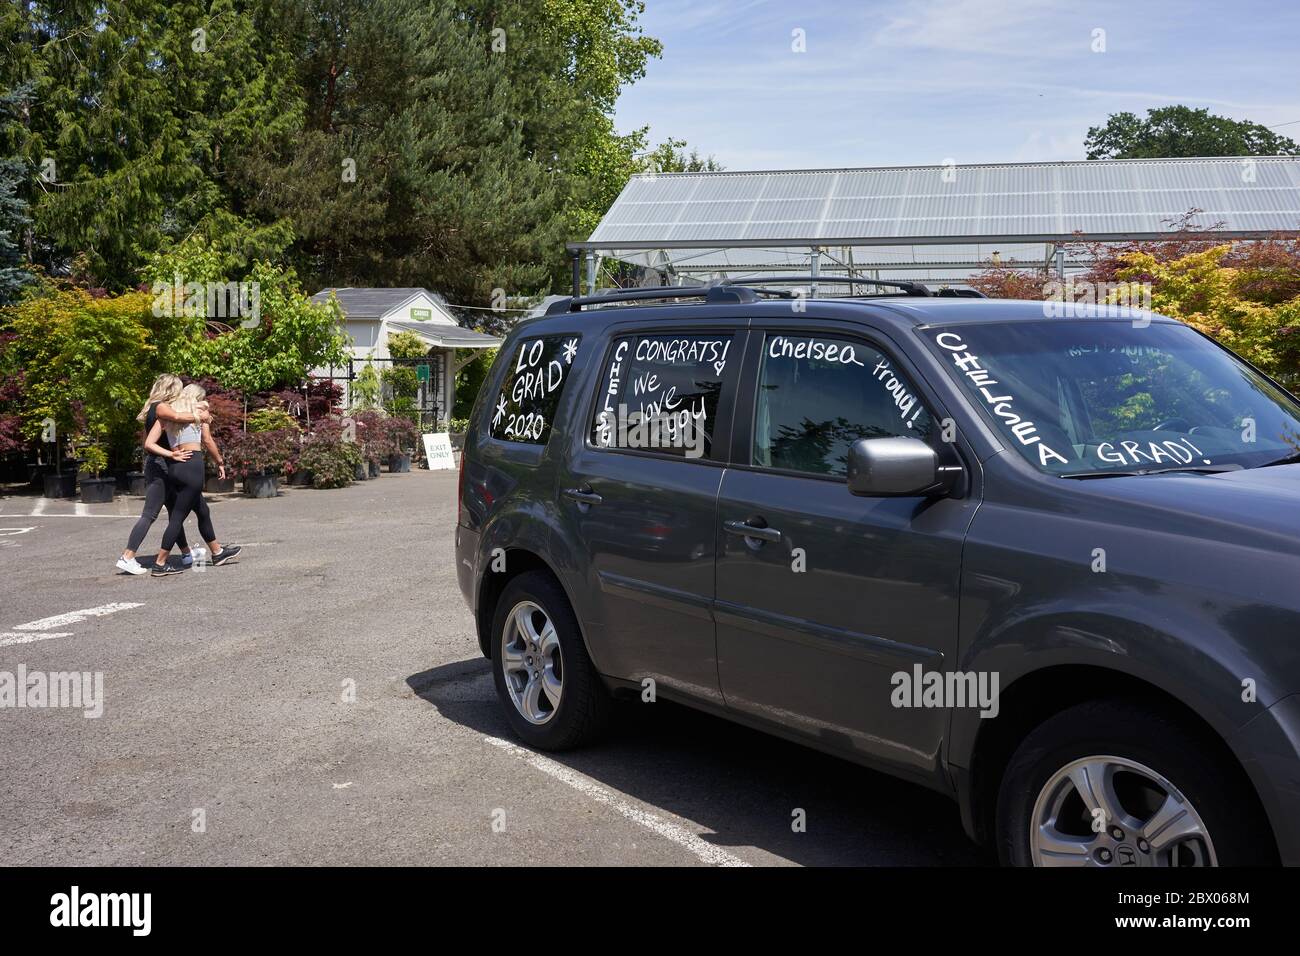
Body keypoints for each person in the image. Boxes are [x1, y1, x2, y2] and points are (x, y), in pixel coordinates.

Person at [144, 384, 241, 577]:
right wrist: (219, 461)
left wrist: (171, 454)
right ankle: (160, 563)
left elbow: (149, 443)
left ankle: (217, 552)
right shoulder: (199, 411)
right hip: (193, 467)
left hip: (175, 467)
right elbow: (207, 440)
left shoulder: (169, 413)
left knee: (203, 509)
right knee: (178, 516)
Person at [117, 375, 210, 575]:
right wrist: (199, 416)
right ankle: (128, 556)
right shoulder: (160, 407)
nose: (180, 393)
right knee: (150, 513)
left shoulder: (152, 408)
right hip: (160, 465)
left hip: (163, 464)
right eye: (178, 389)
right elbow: (177, 418)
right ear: (170, 389)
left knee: (175, 512)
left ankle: (186, 553)